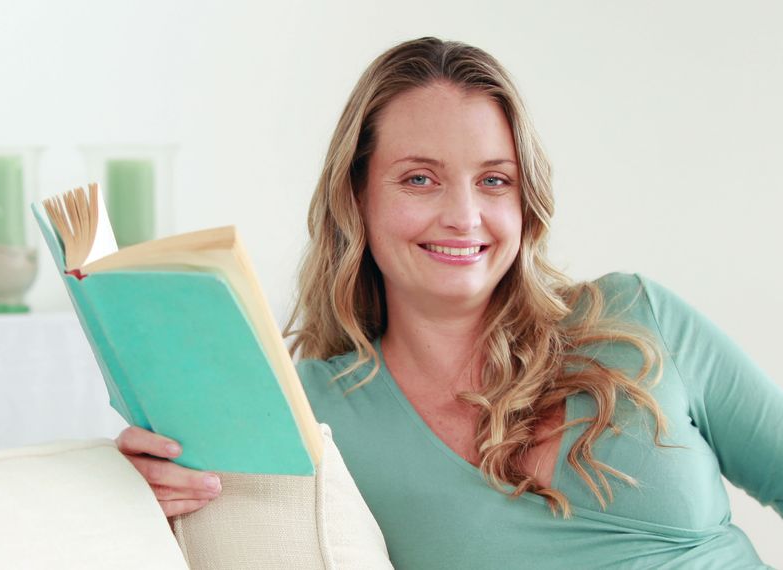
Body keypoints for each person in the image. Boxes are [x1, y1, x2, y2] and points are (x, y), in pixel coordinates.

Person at [115, 37, 783, 568]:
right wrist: (139, 499)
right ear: (356, 199)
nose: (464, 215)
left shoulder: (635, 317)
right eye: (419, 179)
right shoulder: (307, 414)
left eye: (494, 180)